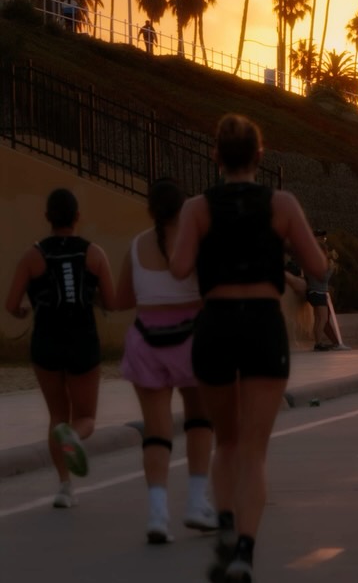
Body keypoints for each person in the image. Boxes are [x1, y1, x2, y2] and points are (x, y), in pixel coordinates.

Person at [169, 113, 328, 583]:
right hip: (262, 323)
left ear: (216, 156)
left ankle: (222, 527)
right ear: (260, 156)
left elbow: (180, 269)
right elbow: (317, 265)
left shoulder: (198, 209)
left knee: (227, 441)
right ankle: (244, 551)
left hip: (216, 324)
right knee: (254, 451)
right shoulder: (281, 204)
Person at [115, 178, 217, 544]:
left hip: (146, 341)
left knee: (156, 431)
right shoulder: (197, 244)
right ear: (184, 207)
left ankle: (158, 515)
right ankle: (195, 502)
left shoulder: (136, 245)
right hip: (192, 338)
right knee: (200, 420)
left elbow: (121, 299)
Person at [4, 188, 115, 508]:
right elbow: (111, 301)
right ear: (77, 217)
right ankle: (75, 437)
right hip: (82, 340)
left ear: (47, 218)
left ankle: (65, 487)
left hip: (47, 342)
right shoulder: (94, 254)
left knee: (57, 415)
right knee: (86, 418)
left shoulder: (32, 255)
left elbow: (11, 304)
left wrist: (24, 310)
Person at [305, 230, 350, 351]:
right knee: (323, 319)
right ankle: (318, 343)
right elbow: (323, 278)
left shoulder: (310, 261)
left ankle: (319, 342)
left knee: (318, 319)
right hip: (319, 292)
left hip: (314, 292)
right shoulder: (319, 263)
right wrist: (330, 269)